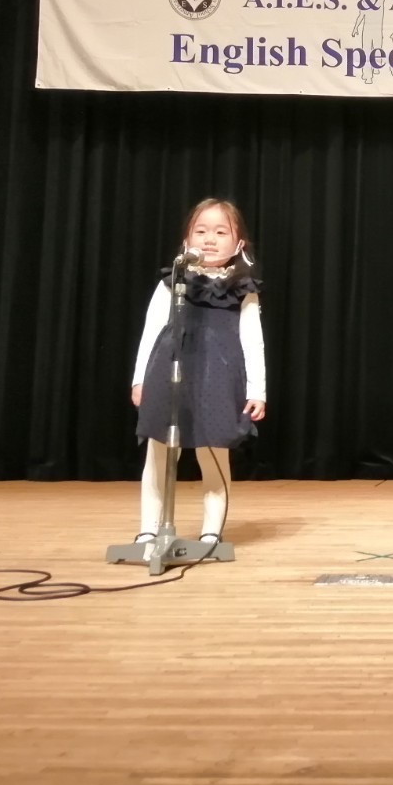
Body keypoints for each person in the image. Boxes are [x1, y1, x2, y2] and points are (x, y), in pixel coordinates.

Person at [130, 199, 266, 545]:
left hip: (217, 379)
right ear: (186, 240)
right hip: (169, 374)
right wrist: (140, 379)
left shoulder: (242, 289)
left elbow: (253, 341)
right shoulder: (172, 282)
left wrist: (257, 390)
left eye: (220, 232)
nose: (209, 239)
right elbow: (151, 331)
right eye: (201, 231)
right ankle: (149, 529)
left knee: (214, 454)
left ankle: (211, 532)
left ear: (238, 244)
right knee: (159, 454)